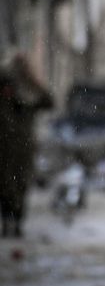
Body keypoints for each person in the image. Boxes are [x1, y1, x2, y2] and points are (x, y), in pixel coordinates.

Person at [0, 53, 53, 237]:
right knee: (5, 188)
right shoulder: (3, 105)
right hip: (4, 153)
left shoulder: (26, 103)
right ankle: (7, 222)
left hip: (23, 152)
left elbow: (48, 101)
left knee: (21, 186)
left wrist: (30, 78)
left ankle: (17, 223)